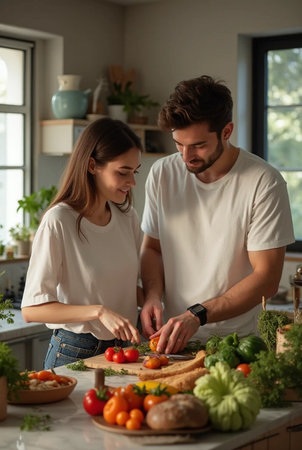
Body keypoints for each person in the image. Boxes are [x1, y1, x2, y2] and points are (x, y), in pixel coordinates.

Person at [139, 75, 295, 354]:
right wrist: (152, 294)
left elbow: (267, 279)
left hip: (238, 344)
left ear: (226, 131)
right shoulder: (162, 173)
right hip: (173, 341)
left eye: (198, 145)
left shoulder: (263, 182)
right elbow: (152, 248)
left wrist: (197, 315)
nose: (186, 156)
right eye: (178, 143)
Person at [22, 118, 143, 368]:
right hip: (74, 351)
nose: (132, 182)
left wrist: (153, 301)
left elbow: (123, 285)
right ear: (91, 165)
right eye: (123, 172)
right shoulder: (59, 220)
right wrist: (98, 311)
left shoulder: (126, 216)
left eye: (135, 171)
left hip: (125, 350)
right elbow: (32, 309)